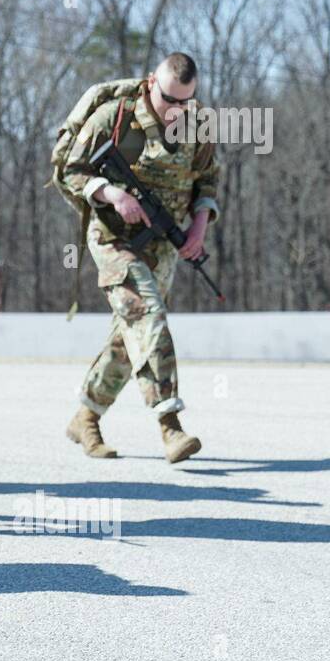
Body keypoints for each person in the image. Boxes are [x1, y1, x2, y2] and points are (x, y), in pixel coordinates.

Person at [60, 53, 219, 464]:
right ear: (151, 83)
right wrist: (110, 193)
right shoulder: (114, 118)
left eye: (186, 101)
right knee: (148, 316)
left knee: (129, 335)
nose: (177, 110)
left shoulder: (196, 125)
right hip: (113, 236)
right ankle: (170, 424)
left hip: (163, 243)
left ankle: (86, 416)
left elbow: (208, 179)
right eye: (169, 99)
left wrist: (199, 228)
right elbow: (68, 169)